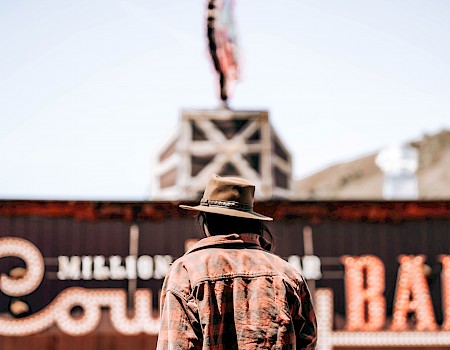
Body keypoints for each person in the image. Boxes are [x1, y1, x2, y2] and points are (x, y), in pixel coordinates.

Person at [157, 174, 317, 349]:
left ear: (206, 221)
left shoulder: (187, 271)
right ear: (252, 221)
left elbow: (178, 344)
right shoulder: (287, 274)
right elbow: (308, 341)